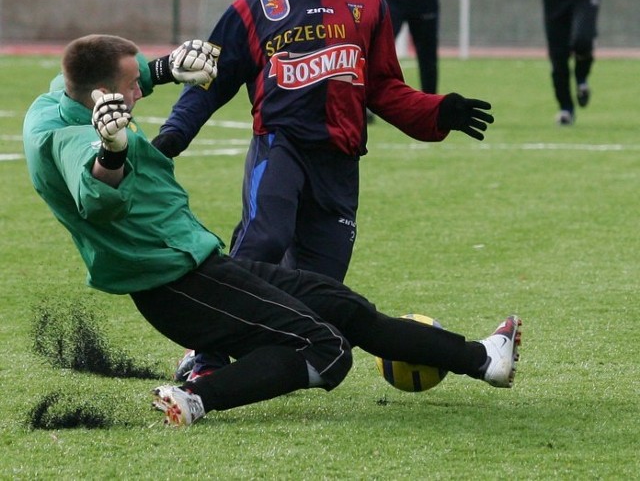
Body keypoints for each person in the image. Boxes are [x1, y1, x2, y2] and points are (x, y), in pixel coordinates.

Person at [23, 34, 522, 427]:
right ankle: (196, 397)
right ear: (102, 95)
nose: (139, 93)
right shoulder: (69, 136)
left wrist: (163, 69)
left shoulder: (57, 99)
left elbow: (96, 77)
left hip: (199, 266)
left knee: (340, 304)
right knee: (327, 351)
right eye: (133, 85)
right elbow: (94, 195)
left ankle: (482, 359)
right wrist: (110, 150)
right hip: (175, 284)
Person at [152, 0, 491, 381]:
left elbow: (383, 88)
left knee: (314, 289)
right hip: (281, 148)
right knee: (260, 244)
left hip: (340, 164)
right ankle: (206, 358)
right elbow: (209, 84)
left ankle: (259, 356)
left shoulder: (368, 0)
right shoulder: (255, 6)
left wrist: (439, 111)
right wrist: (171, 139)